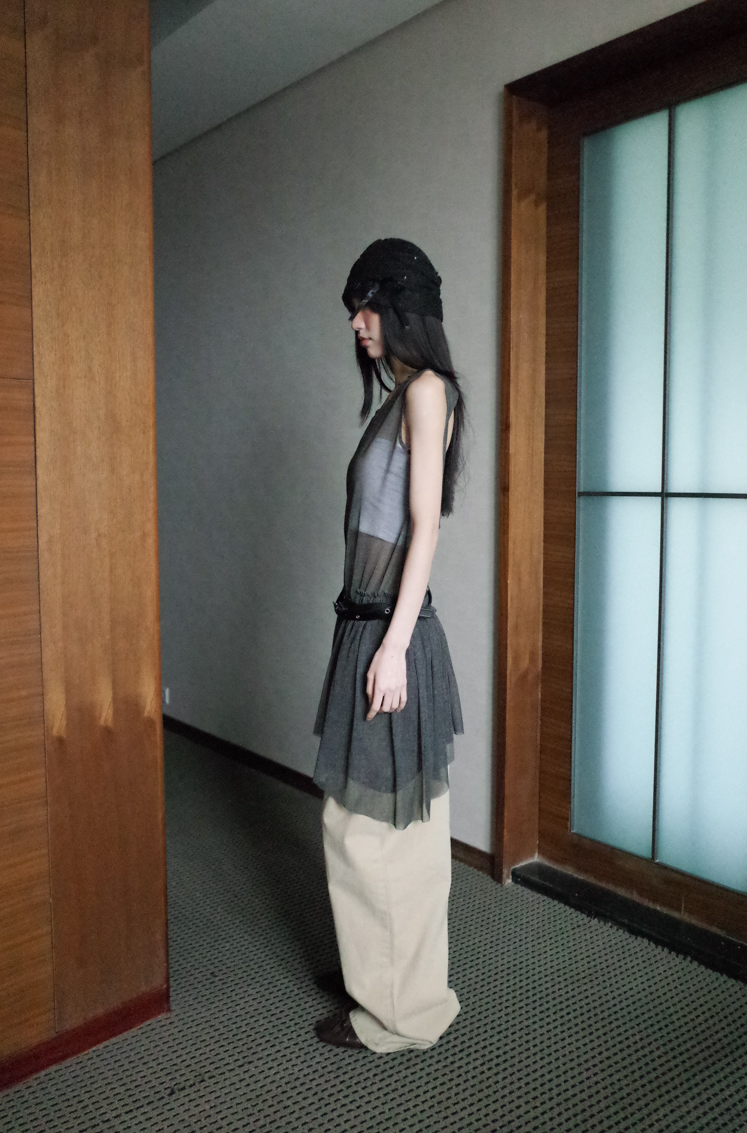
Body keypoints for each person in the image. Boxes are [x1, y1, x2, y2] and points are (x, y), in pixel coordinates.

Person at [312, 237, 466, 1052]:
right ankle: (386, 983)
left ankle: (399, 1014)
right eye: (353, 311)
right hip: (369, 625)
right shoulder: (402, 394)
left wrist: (395, 646)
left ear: (404, 307)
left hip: (389, 632)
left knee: (375, 828)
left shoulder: (427, 391)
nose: (356, 323)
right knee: (380, 823)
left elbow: (424, 527)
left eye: (366, 307)